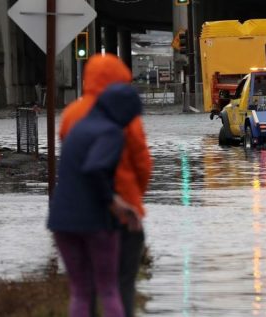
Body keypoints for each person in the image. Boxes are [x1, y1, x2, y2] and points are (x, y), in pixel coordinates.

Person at [60, 53, 152, 317]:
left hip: (81, 213)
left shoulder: (71, 114)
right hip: (121, 213)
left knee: (82, 288)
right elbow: (143, 162)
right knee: (120, 284)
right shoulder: (124, 116)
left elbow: (71, 161)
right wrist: (135, 198)